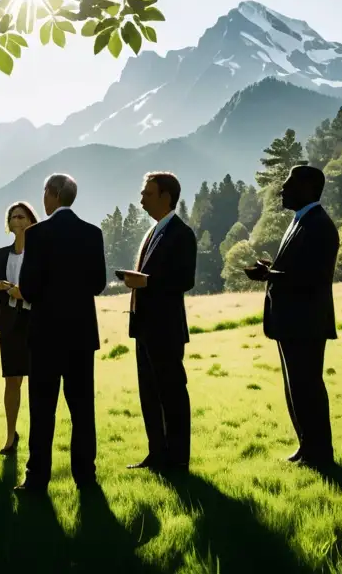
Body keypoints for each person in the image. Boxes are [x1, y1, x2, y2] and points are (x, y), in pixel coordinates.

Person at [15, 173, 107, 492]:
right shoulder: (92, 233)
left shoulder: (37, 234)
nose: (43, 198)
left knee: (42, 409)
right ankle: (86, 476)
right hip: (81, 333)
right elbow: (98, 284)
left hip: (45, 335)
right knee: (82, 409)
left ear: (53, 194)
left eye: (44, 192)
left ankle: (37, 477)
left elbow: (27, 288)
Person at [244, 165, 339, 468]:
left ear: (308, 188)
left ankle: (319, 453)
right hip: (293, 321)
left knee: (307, 386)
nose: (282, 189)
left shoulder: (319, 225)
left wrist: (269, 274)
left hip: (306, 322)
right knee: (296, 386)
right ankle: (306, 446)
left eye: (289, 184)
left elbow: (315, 276)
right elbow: (299, 269)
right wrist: (272, 270)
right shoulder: (302, 221)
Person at [120, 172, 197, 474]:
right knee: (149, 393)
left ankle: (177, 458)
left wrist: (146, 281)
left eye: (147, 194)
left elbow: (185, 280)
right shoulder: (153, 232)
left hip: (165, 328)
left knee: (172, 392)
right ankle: (157, 453)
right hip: (145, 328)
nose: (141, 200)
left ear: (165, 196)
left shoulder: (181, 233)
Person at [0, 201, 38, 455]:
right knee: (12, 380)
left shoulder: (40, 252)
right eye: (12, 217)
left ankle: (37, 437)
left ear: (31, 220)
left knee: (38, 379)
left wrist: (22, 293)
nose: (16, 220)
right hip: (9, 322)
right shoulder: (2, 253)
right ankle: (10, 435)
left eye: (21, 216)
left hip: (35, 320)